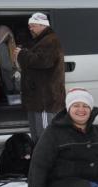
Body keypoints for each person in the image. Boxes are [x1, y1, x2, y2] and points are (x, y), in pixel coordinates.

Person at [13, 12, 65, 143]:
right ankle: (40, 160)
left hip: (45, 99)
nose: (30, 28)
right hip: (36, 98)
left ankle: (49, 160)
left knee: (45, 135)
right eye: (29, 26)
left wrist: (22, 54)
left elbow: (43, 62)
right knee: (37, 135)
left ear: (43, 25)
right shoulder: (40, 40)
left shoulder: (51, 40)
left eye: (33, 25)